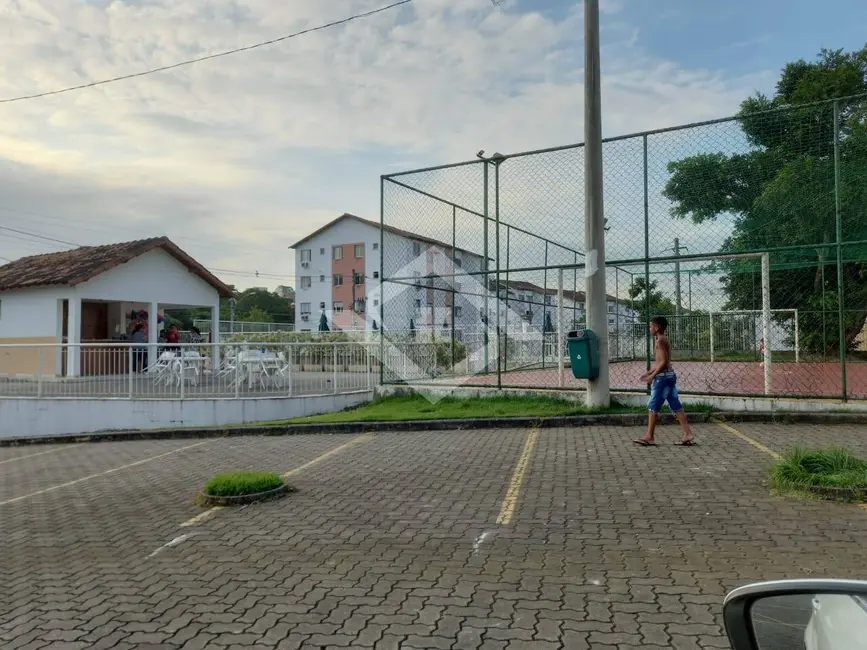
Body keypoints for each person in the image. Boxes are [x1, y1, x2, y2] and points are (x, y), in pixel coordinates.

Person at [634, 315, 695, 447]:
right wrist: (649, 372)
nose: (649, 328)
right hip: (669, 376)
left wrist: (652, 376)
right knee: (675, 405)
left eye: (651, 326)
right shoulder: (663, 339)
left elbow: (664, 362)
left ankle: (649, 437)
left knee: (653, 406)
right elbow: (662, 362)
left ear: (657, 327)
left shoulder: (659, 341)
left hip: (662, 379)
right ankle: (687, 433)